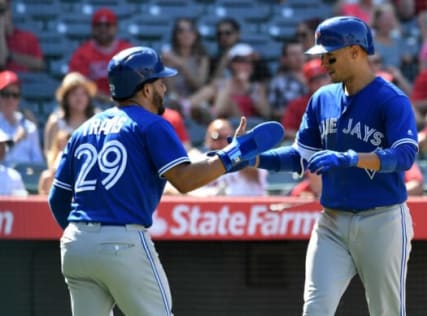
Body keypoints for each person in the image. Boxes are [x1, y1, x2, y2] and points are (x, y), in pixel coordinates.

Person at [47, 46, 283, 316]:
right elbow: (184, 180)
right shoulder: (151, 123)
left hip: (76, 245)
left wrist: (86, 234)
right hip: (121, 241)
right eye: (161, 82)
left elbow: (58, 198)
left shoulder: (83, 129)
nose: (165, 89)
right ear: (146, 89)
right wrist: (230, 156)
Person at [245, 16, 418, 315]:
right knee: (315, 309)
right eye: (321, 55)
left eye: (330, 55)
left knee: (387, 311)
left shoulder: (391, 99)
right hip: (332, 222)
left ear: (355, 51)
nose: (323, 63)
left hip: (382, 220)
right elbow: (300, 157)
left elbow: (404, 157)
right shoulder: (321, 98)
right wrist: (254, 159)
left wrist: (352, 158)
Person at [68, 7, 132, 103]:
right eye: (99, 25)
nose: (103, 29)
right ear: (93, 28)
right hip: (91, 105)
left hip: (125, 102)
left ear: (116, 27)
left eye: (108, 25)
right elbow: (76, 84)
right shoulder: (82, 53)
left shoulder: (128, 51)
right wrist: (100, 96)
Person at [160, 17, 210, 116]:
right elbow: (170, 91)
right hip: (174, 99)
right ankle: (184, 106)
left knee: (211, 88)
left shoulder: (202, 57)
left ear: (195, 34)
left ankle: (186, 105)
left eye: (190, 30)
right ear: (175, 35)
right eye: (181, 31)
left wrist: (182, 65)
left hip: (195, 98)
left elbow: (199, 85)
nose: (186, 35)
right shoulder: (168, 57)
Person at [43, 72, 98, 160]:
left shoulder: (97, 119)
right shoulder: (55, 122)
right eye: (74, 93)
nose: (79, 98)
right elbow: (49, 153)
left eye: (83, 93)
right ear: (66, 98)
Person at [0, 70, 44, 167]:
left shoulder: (30, 127)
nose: (10, 99)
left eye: (15, 95)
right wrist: (15, 140)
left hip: (26, 180)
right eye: (5, 94)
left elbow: (37, 162)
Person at [281, 58, 331, 140]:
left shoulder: (342, 99)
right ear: (308, 84)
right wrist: (311, 138)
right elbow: (286, 131)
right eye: (314, 80)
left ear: (330, 78)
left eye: (323, 77)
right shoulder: (297, 104)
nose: (320, 83)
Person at [268, 40, 308, 121]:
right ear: (284, 59)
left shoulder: (319, 77)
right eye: (293, 54)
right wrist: (294, 113)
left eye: (301, 53)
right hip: (290, 124)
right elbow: (272, 112)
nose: (298, 57)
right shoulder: (278, 82)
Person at [0, 0, 44, 72]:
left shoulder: (27, 37)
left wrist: (10, 56)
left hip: (24, 81)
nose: (2, 16)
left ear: (10, 11)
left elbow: (39, 64)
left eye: (2, 11)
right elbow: (1, 61)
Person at [0, 127, 27, 196]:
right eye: (0, 145)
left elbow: (21, 204)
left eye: (3, 144)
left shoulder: (14, 176)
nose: (3, 148)